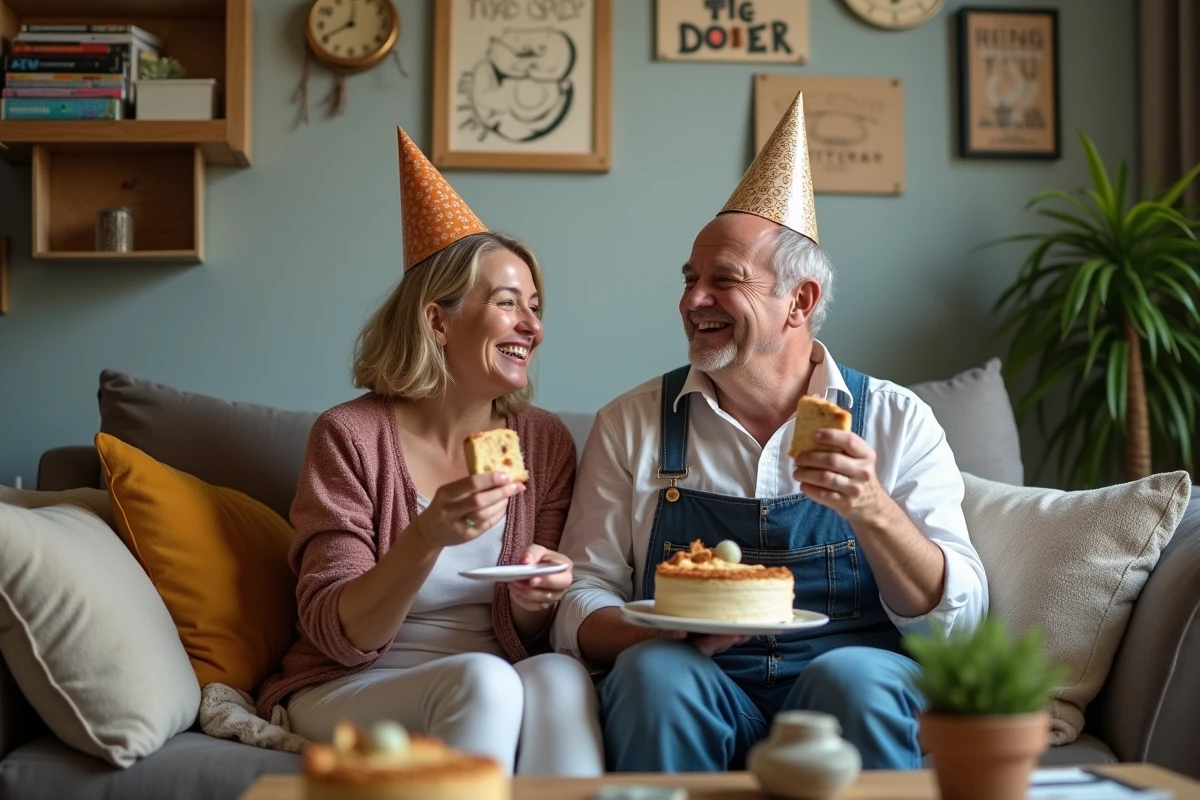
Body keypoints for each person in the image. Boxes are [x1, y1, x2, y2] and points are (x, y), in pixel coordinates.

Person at [550, 93, 988, 773]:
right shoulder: (633, 423)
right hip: (694, 683)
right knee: (651, 675)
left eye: (722, 281)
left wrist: (870, 506)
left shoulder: (898, 420)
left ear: (801, 302)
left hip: (845, 684)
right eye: (691, 279)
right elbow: (581, 595)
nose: (692, 301)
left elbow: (955, 622)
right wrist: (656, 625)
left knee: (857, 681)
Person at [255, 127, 604, 777]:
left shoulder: (544, 442)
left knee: (557, 675)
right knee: (486, 681)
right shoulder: (350, 437)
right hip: (348, 683)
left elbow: (526, 636)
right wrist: (426, 535)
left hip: (485, 675)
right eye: (508, 304)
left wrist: (537, 599)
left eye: (535, 306)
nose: (533, 325)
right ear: (438, 322)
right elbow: (336, 629)